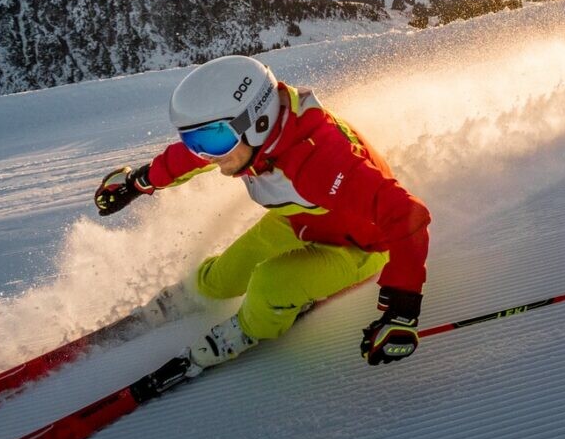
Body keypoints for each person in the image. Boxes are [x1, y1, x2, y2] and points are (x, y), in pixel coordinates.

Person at [91, 54, 431, 371]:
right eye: (195, 139)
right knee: (223, 276)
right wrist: (138, 183)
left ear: (258, 120)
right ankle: (198, 293)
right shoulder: (255, 136)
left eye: (212, 141)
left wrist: (402, 309)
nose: (205, 154)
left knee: (269, 287)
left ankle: (249, 329)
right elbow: (188, 157)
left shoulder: (318, 162)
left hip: (359, 247)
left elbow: (407, 214)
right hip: (302, 223)